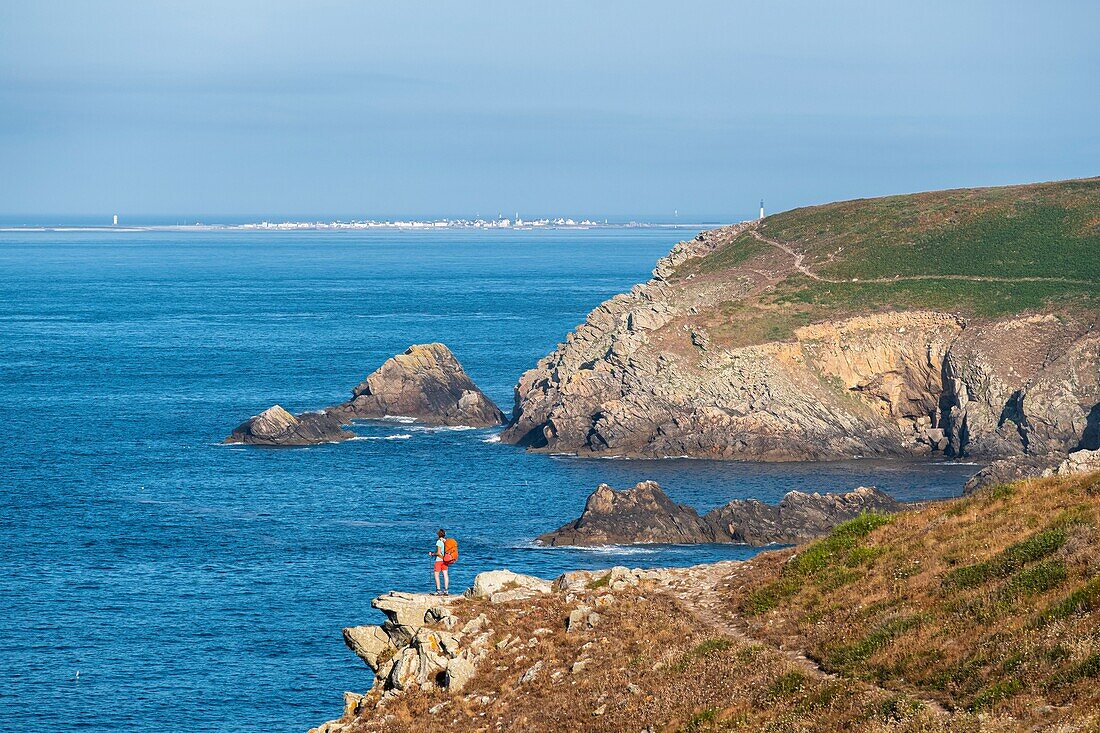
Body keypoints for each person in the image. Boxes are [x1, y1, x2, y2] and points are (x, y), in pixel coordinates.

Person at [429, 528, 449, 596]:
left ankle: (438, 590)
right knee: (445, 575)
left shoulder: (439, 542)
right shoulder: (446, 541)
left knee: (436, 575)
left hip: (439, 560)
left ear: (438, 535)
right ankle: (446, 591)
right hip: (445, 560)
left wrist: (432, 554)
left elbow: (438, 553)